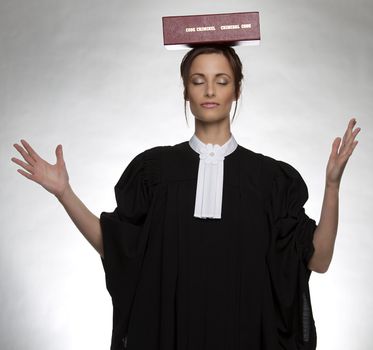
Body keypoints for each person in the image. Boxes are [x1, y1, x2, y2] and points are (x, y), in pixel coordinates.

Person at [11, 45, 360, 350]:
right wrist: (64, 193)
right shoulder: (154, 172)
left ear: (237, 90)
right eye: (198, 80)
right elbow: (116, 246)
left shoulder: (269, 180)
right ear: (185, 91)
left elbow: (318, 260)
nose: (209, 89)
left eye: (221, 81)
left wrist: (332, 187)